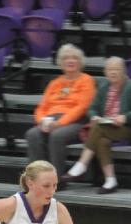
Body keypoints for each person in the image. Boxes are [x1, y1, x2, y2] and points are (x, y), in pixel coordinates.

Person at [60, 57, 131, 194]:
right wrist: (94, 116)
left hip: (127, 128)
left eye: (116, 69)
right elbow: (92, 108)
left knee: (98, 128)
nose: (113, 72)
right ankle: (111, 180)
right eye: (110, 69)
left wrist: (125, 117)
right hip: (105, 127)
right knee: (102, 141)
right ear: (105, 72)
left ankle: (82, 164)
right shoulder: (104, 86)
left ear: (123, 71)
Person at [25, 44, 96, 176]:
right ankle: (37, 178)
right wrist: (41, 122)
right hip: (50, 120)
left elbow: (82, 107)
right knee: (33, 134)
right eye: (66, 58)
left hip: (76, 122)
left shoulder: (87, 80)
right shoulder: (55, 83)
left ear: (80, 62)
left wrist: (59, 123)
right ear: (60, 63)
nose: (70, 61)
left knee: (57, 135)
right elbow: (42, 107)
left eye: (74, 58)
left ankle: (55, 178)